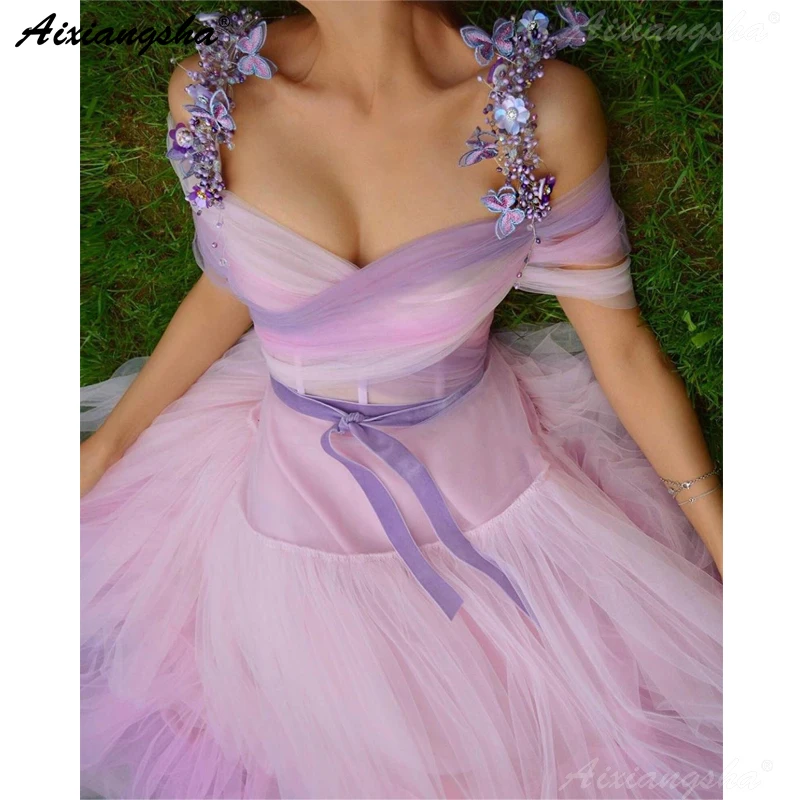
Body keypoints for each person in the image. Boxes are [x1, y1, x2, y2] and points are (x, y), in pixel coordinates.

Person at [80, 3, 722, 798]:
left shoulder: (537, 113)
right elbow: (232, 281)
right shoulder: (212, 96)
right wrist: (108, 447)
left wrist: (724, 544)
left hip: (483, 490)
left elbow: (618, 346)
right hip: (280, 496)